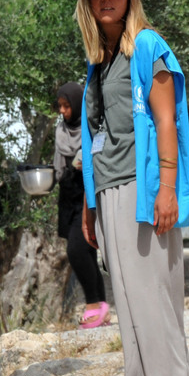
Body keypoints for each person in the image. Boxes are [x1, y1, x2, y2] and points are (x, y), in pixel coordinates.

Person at [75, 0, 189, 376]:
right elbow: (96, 137)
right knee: (127, 299)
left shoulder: (148, 46)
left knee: (152, 291)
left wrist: (167, 186)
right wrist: (89, 207)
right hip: (108, 189)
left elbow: (167, 120)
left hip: (143, 186)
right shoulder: (97, 63)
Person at [53, 82, 110, 329]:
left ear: (76, 105)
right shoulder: (60, 130)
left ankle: (91, 304)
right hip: (67, 197)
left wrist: (86, 160)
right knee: (85, 251)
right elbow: (58, 165)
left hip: (86, 197)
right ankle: (102, 308)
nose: (63, 111)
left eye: (67, 106)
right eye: (60, 107)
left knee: (76, 250)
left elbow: (100, 151)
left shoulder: (89, 126)